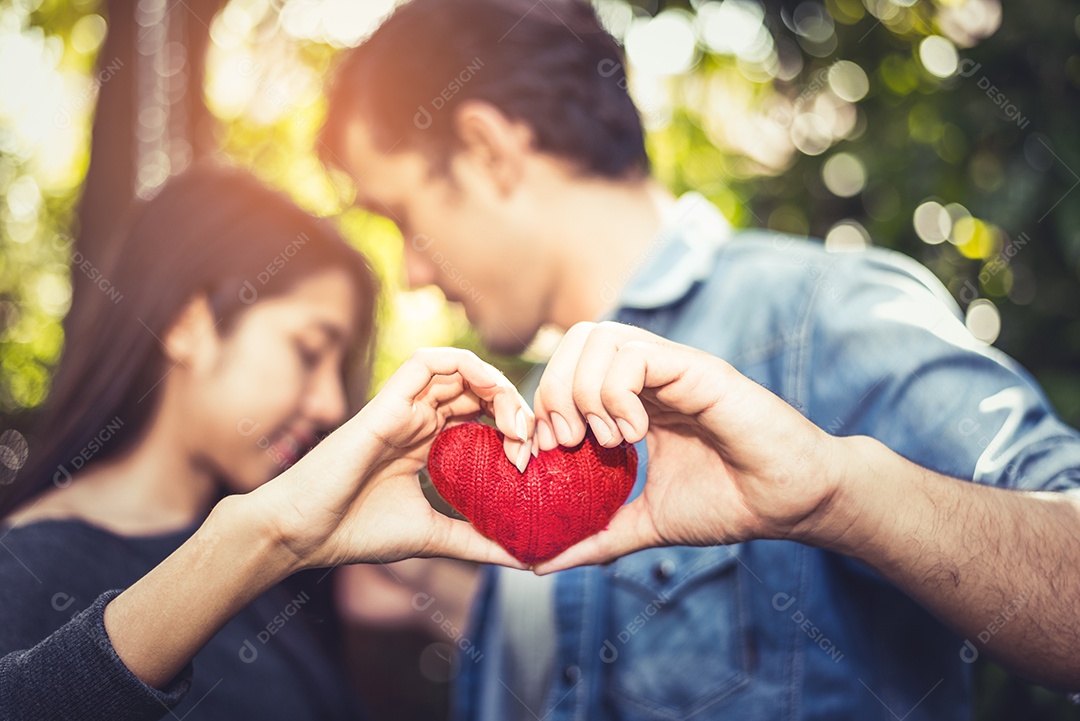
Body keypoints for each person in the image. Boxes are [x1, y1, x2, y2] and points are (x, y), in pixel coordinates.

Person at [318, 0, 1080, 718]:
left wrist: (837, 491)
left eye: (399, 215)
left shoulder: (824, 311)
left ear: (489, 151)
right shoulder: (526, 411)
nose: (413, 271)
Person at [0, 162, 534, 720]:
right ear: (189, 325)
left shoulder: (304, 564)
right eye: (307, 352)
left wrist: (419, 570)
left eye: (338, 366)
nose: (329, 404)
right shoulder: (31, 567)